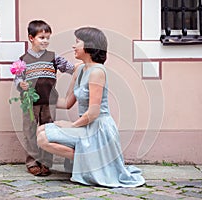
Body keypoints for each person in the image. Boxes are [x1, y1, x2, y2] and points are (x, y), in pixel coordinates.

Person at [36, 27, 145, 187]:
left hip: (98, 129)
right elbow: (67, 102)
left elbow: (93, 113)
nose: (74, 46)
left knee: (43, 138)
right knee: (41, 130)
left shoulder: (97, 72)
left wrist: (70, 126)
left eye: (77, 42)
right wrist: (39, 97)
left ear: (89, 46)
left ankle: (96, 161)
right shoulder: (80, 69)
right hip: (85, 126)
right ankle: (93, 160)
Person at [14, 20, 74, 176]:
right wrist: (22, 84)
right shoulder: (23, 60)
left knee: (48, 131)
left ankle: (46, 162)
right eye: (41, 37)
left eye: (47, 37)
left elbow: (70, 68)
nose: (45, 41)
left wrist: (84, 67)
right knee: (30, 131)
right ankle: (32, 162)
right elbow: (17, 79)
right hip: (30, 102)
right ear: (31, 38)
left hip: (49, 101)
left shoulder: (53, 57)